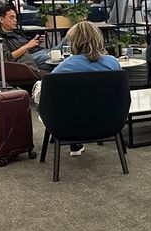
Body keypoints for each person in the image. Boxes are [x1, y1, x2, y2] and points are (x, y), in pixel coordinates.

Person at [48, 21, 121, 156]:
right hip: (109, 120)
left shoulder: (64, 67)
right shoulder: (113, 63)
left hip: (72, 124)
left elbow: (51, 95)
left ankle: (74, 143)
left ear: (74, 42)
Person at [0, 4, 66, 73]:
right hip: (27, 60)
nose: (15, 20)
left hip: (37, 53)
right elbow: (7, 58)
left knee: (65, 44)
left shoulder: (16, 32)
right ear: (1, 19)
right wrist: (27, 45)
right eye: (11, 17)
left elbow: (26, 47)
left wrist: (35, 42)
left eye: (15, 17)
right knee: (60, 56)